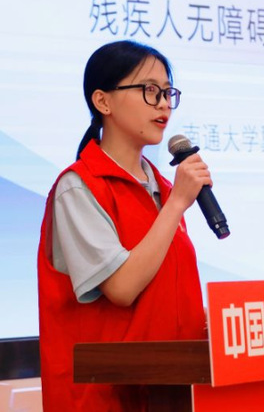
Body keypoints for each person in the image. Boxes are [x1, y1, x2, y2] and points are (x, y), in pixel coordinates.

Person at [37, 40, 211, 411]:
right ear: (103, 102)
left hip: (170, 391)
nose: (163, 104)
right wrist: (177, 204)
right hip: (105, 398)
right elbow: (122, 288)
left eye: (167, 92)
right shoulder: (78, 187)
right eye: (149, 90)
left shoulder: (163, 189)